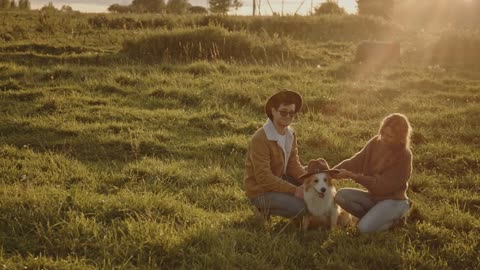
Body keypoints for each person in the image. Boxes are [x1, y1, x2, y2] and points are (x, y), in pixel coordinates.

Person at [333, 113, 413, 233]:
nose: (384, 138)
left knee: (363, 229)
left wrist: (352, 176)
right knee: (341, 196)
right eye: (383, 133)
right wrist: (331, 172)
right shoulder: (376, 142)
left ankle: (396, 220)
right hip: (373, 198)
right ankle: (374, 218)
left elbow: (381, 186)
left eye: (389, 136)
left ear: (400, 138)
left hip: (393, 201)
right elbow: (355, 162)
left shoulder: (404, 156)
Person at [244, 89, 307, 220]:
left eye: (292, 113)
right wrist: (295, 190)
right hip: (260, 191)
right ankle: (261, 208)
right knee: (303, 208)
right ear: (273, 111)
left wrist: (310, 182)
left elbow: (293, 165)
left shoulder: (290, 134)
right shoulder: (260, 138)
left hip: (280, 180)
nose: (288, 116)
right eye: (283, 112)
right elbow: (264, 178)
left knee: (313, 199)